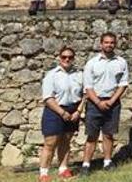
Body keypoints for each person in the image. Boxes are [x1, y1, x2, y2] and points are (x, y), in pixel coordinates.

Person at [80, 33, 128, 175]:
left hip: (113, 103)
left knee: (108, 134)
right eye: (106, 42)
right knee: (91, 135)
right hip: (95, 103)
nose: (109, 45)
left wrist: (111, 101)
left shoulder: (121, 62)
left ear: (115, 44)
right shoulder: (92, 63)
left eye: (112, 42)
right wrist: (98, 102)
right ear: (101, 44)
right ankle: (86, 165)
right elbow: (88, 86)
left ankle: (107, 161)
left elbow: (123, 84)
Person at [39, 46, 83, 181]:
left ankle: (63, 168)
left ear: (73, 58)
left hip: (73, 110)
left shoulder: (79, 74)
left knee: (66, 140)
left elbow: (85, 95)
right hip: (55, 110)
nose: (67, 59)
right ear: (59, 58)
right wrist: (62, 112)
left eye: (70, 57)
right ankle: (44, 173)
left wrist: (79, 111)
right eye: (64, 57)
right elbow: (47, 98)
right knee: (50, 142)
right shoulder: (52, 75)